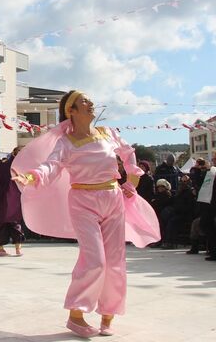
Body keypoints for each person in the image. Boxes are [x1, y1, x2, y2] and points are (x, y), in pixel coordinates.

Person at [11, 90, 159, 337]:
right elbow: (51, 166)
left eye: (90, 100)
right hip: (82, 201)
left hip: (113, 199)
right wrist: (32, 176)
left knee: (114, 261)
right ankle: (76, 314)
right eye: (84, 102)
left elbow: (128, 152)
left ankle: (108, 314)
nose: (91, 104)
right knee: (95, 261)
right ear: (72, 111)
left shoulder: (108, 133)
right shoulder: (65, 143)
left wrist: (131, 180)